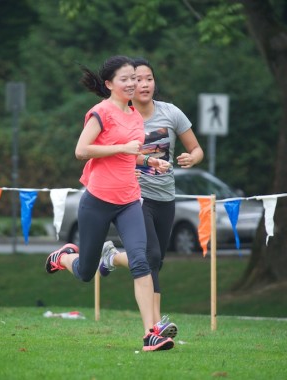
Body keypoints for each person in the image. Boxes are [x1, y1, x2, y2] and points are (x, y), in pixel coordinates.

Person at [45, 55, 174, 352]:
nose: (133, 84)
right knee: (85, 272)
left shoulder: (133, 116)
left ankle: (150, 334)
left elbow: (129, 154)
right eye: (126, 79)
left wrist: (148, 159)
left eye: (136, 78)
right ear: (109, 84)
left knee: (141, 260)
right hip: (98, 201)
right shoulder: (100, 113)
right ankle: (63, 257)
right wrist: (123, 148)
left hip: (129, 200)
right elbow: (81, 150)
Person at [99, 57, 204, 339]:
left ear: (154, 82)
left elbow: (197, 149)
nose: (143, 84)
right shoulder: (122, 115)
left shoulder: (171, 113)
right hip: (133, 196)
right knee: (151, 254)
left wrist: (190, 158)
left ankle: (111, 257)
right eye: (137, 79)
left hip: (166, 196)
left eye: (148, 78)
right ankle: (156, 326)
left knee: (155, 262)